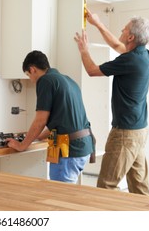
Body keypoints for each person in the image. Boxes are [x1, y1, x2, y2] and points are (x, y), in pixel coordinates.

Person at [74, 9, 149, 195]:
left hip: (125, 134)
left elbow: (92, 70)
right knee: (139, 187)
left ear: (131, 37)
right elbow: (118, 46)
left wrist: (84, 50)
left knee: (106, 187)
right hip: (139, 132)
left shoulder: (130, 61)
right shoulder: (147, 56)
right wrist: (98, 24)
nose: (121, 31)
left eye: (124, 30)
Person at [6, 50, 95, 183]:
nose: (31, 80)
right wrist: (39, 136)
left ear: (32, 69)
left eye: (28, 75)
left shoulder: (45, 81)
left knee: (59, 198)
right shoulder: (67, 80)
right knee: (64, 196)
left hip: (69, 150)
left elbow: (40, 120)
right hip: (84, 146)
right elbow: (62, 120)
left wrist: (22, 145)